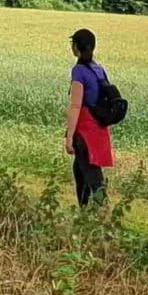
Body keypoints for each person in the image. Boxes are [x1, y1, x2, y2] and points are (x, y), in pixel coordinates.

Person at [64, 27, 114, 207]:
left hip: (84, 130)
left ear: (76, 47)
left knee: (92, 175)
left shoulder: (79, 71)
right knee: (80, 170)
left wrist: (69, 136)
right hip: (99, 128)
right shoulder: (98, 69)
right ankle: (85, 214)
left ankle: (103, 212)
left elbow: (76, 104)